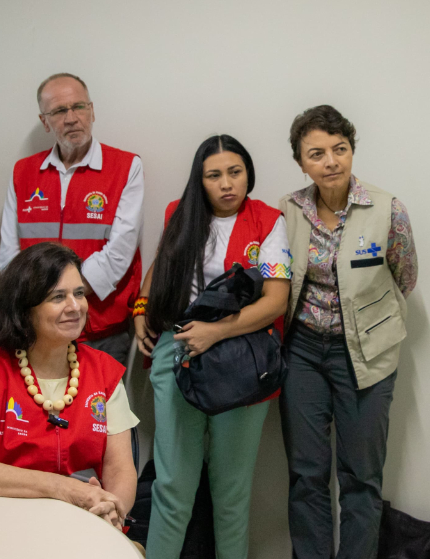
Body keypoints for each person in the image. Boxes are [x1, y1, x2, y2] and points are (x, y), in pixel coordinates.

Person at [132, 135, 291, 558]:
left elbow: (276, 300)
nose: (226, 184)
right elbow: (161, 268)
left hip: (241, 360)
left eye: (235, 172)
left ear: (248, 174)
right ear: (199, 180)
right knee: (172, 484)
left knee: (232, 490)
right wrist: (140, 309)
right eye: (214, 175)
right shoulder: (178, 214)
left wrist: (215, 333)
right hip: (178, 349)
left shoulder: (269, 221)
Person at [278, 105, 418, 559]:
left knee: (361, 477)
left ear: (352, 151)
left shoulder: (386, 208)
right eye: (316, 153)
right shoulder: (290, 210)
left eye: (340, 149)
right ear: (301, 162)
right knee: (306, 474)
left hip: (366, 355)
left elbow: (406, 276)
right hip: (302, 356)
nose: (331, 161)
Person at [0, 242, 139, 531]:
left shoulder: (105, 372)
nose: (75, 307)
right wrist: (60, 488)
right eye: (58, 297)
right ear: (25, 309)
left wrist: (111, 509)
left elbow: (120, 469)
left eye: (79, 293)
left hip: (84, 525)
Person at [0, 73, 144, 366]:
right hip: (36, 327)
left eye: (79, 107)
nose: (72, 118)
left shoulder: (126, 167)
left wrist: (61, 299)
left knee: (100, 412)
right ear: (45, 121)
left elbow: (119, 253)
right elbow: (9, 256)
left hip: (100, 328)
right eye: (60, 111)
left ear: (92, 111)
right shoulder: (23, 172)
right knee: (37, 410)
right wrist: (44, 305)